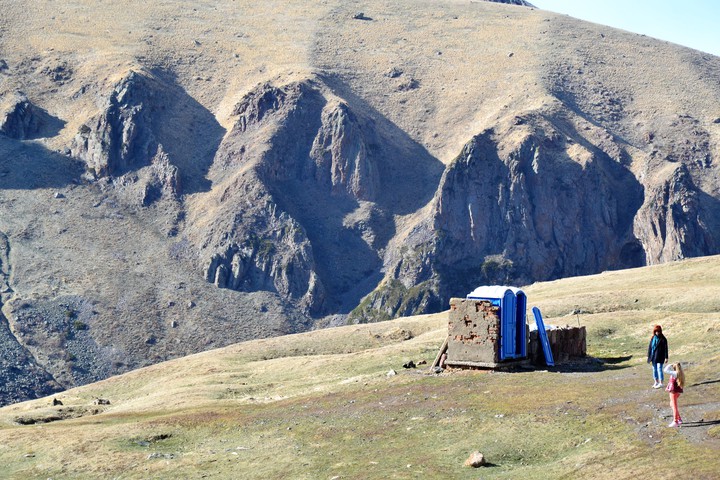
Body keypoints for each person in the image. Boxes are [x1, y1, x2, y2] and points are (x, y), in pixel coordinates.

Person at [664, 363, 685, 427]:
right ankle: (679, 419)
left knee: (674, 406)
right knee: (672, 404)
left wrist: (669, 364)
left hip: (673, 392)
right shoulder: (681, 373)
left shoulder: (674, 373)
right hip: (677, 392)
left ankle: (675, 421)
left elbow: (665, 370)